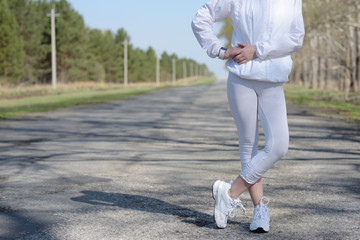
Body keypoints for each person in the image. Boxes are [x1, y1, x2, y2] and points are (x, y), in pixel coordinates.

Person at [191, 0, 305, 233]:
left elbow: (296, 37)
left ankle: (230, 193)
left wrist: (257, 50)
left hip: (273, 80)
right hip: (240, 78)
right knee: (248, 146)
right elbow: (200, 18)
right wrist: (219, 50)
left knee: (279, 146)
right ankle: (259, 210)